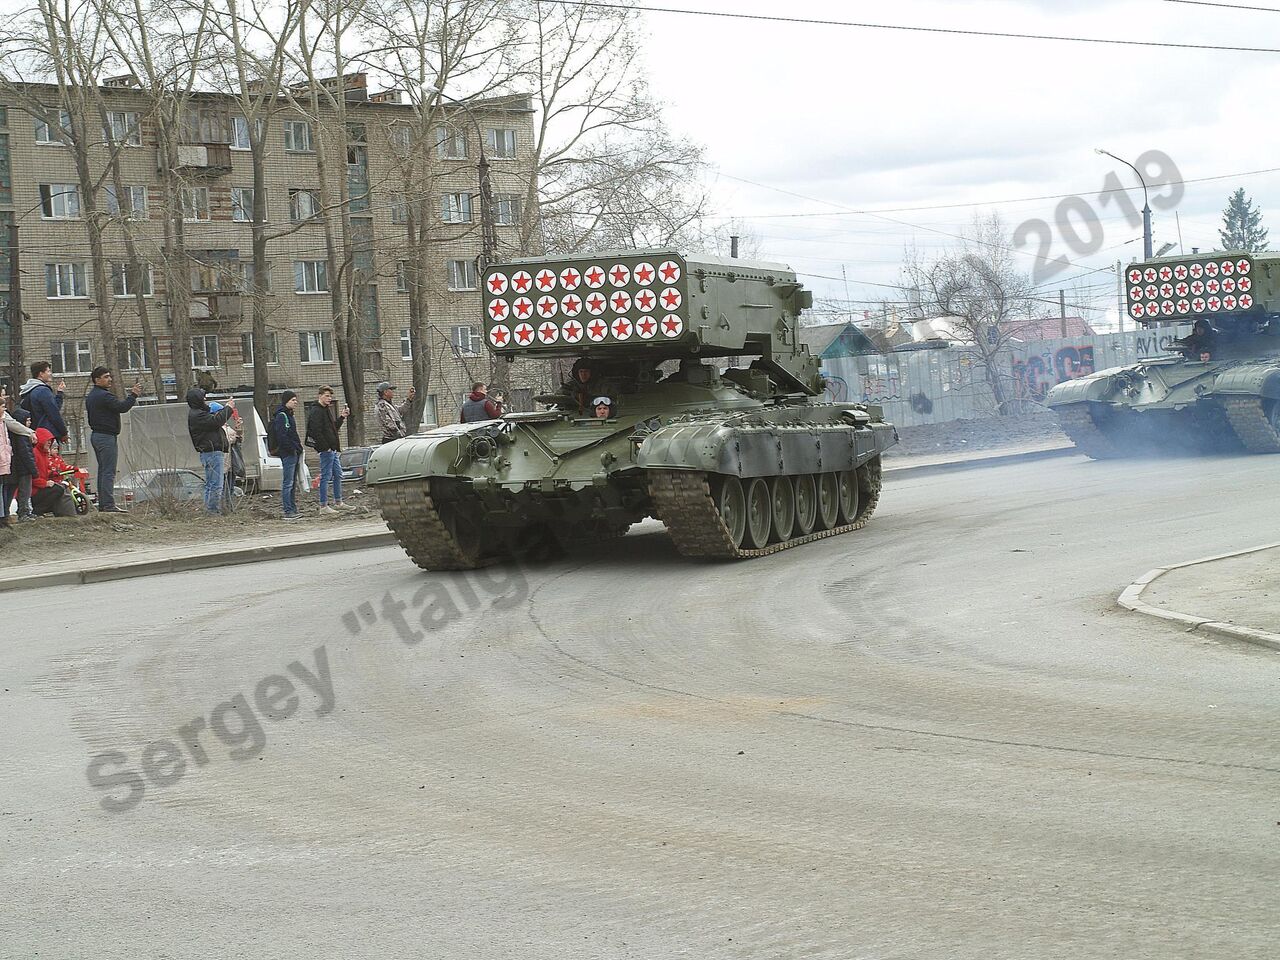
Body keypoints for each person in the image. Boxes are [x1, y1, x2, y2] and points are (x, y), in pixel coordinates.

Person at [85, 366, 142, 513]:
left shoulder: (91, 395)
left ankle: (104, 504)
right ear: (97, 380)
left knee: (103, 471)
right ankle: (108, 504)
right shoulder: (105, 396)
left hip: (96, 436)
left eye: (110, 376)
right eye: (105, 377)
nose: (109, 379)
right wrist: (133, 395)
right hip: (106, 437)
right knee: (108, 471)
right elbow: (122, 407)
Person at [187, 388, 235, 515]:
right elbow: (216, 421)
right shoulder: (198, 415)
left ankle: (210, 510)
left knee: (210, 484)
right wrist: (229, 408)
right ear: (197, 400)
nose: (205, 400)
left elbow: (212, 414)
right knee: (216, 485)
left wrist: (223, 408)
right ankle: (213, 511)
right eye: (203, 397)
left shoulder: (198, 413)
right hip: (212, 453)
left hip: (209, 453)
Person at [306, 386, 350, 513]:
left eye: (330, 396)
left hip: (333, 449)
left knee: (338, 474)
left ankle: (338, 502)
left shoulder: (326, 410)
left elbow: (333, 429)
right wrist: (326, 447)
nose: (329, 398)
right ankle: (323, 506)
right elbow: (316, 431)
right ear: (319, 395)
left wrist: (342, 417)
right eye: (326, 396)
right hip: (327, 450)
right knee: (326, 476)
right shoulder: (316, 411)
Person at [271, 391, 305, 520]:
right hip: (288, 454)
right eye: (293, 400)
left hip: (293, 452)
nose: (295, 402)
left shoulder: (289, 415)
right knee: (288, 483)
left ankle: (293, 509)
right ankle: (288, 510)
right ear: (286, 401)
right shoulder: (282, 416)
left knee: (292, 482)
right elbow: (283, 436)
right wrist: (292, 449)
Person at [31, 428, 78, 517]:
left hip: (40, 486)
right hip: (35, 489)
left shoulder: (44, 455)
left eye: (50, 441)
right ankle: (37, 511)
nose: (49, 442)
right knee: (58, 490)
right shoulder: (36, 454)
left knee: (61, 488)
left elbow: (59, 467)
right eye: (47, 440)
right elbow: (33, 476)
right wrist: (45, 483)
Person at [18, 361, 69, 443]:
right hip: (47, 433)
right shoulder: (43, 390)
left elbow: (53, 407)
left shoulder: (29, 390)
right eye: (48, 371)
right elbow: (54, 413)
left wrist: (59, 393)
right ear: (41, 374)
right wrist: (64, 433)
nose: (50, 374)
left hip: (35, 433)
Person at [3, 405, 37, 522]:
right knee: (24, 492)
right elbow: (26, 454)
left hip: (19, 468)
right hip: (23, 469)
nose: (30, 422)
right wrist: (33, 469)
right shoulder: (22, 436)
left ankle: (21, 512)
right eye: (27, 420)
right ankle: (24, 512)